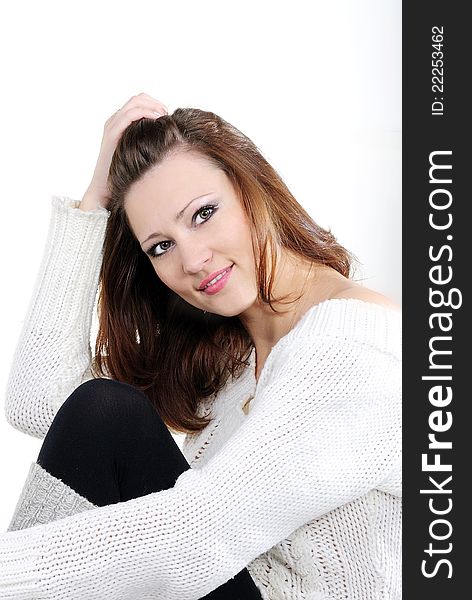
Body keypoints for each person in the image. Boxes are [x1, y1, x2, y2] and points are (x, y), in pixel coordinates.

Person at [0, 93, 401, 599]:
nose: (191, 259)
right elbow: (41, 401)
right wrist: (92, 205)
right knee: (106, 413)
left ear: (252, 187)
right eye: (160, 246)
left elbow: (198, 531)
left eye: (203, 213)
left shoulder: (349, 349)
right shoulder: (229, 360)